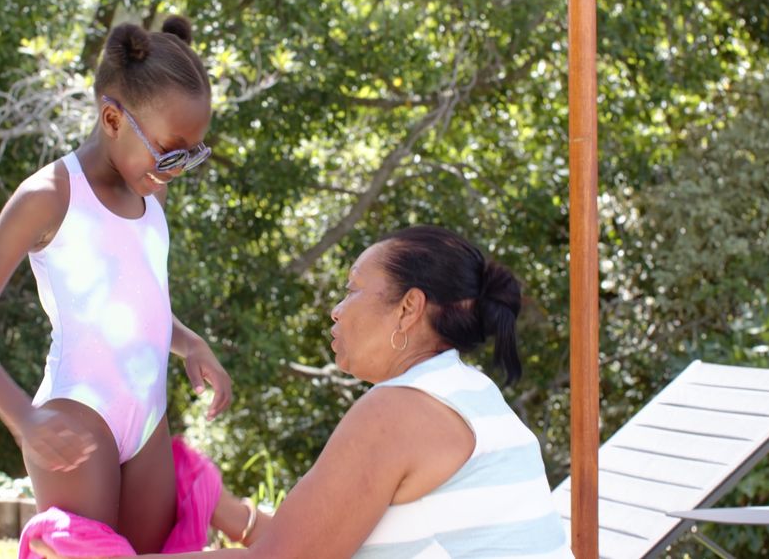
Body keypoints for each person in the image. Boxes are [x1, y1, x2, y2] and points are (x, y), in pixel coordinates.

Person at [31, 225, 572, 558]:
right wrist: (225, 511)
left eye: (354, 289)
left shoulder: (400, 412)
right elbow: (319, 543)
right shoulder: (467, 394)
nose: (337, 308)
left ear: (408, 307)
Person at [0, 15, 232, 554]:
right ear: (113, 118)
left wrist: (189, 342)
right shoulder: (48, 195)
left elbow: (133, 307)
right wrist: (23, 419)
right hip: (79, 412)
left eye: (193, 153)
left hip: (147, 417)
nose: (179, 168)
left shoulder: (151, 191)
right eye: (171, 151)